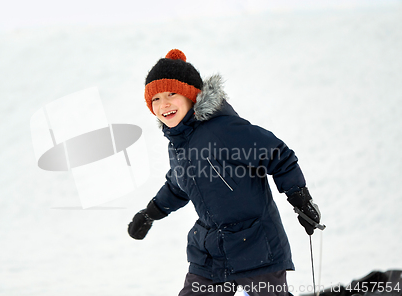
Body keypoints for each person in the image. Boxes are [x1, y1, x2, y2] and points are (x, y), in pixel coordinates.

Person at [127, 49, 322, 296]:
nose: (163, 104)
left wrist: (299, 198)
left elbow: (276, 154)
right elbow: (178, 186)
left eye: (171, 94)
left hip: (255, 245)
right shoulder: (178, 145)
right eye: (155, 99)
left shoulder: (223, 129)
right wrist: (150, 213)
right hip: (211, 253)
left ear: (190, 95)